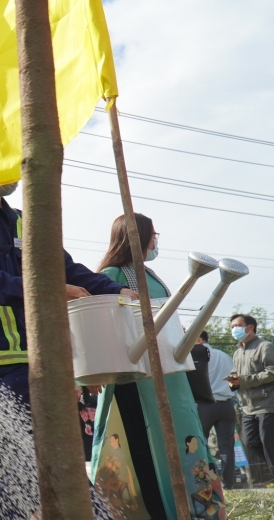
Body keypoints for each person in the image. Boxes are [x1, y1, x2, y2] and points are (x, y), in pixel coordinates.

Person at [90, 212, 224, 519]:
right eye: (153, 233)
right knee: (146, 450)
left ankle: (191, 511)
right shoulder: (112, 275)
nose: (156, 239)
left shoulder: (150, 275)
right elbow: (101, 327)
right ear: (136, 237)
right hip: (135, 381)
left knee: (182, 444)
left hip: (170, 377)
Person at [0, 185, 136, 407]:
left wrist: (117, 289)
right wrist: (54, 292)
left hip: (38, 354)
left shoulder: (21, 220)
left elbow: (66, 269)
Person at [229, 313, 274, 484]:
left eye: (238, 325)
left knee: (268, 443)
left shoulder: (265, 346)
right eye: (232, 326)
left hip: (267, 404)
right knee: (250, 441)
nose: (234, 329)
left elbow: (272, 371)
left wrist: (245, 381)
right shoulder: (237, 353)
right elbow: (235, 375)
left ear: (250, 327)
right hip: (247, 406)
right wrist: (232, 382)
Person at [196, 331, 237, 489]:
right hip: (226, 404)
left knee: (200, 444)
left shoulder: (195, 355)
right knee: (226, 447)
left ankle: (203, 482)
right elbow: (234, 379)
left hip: (205, 405)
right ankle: (228, 484)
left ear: (199, 339)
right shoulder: (224, 355)